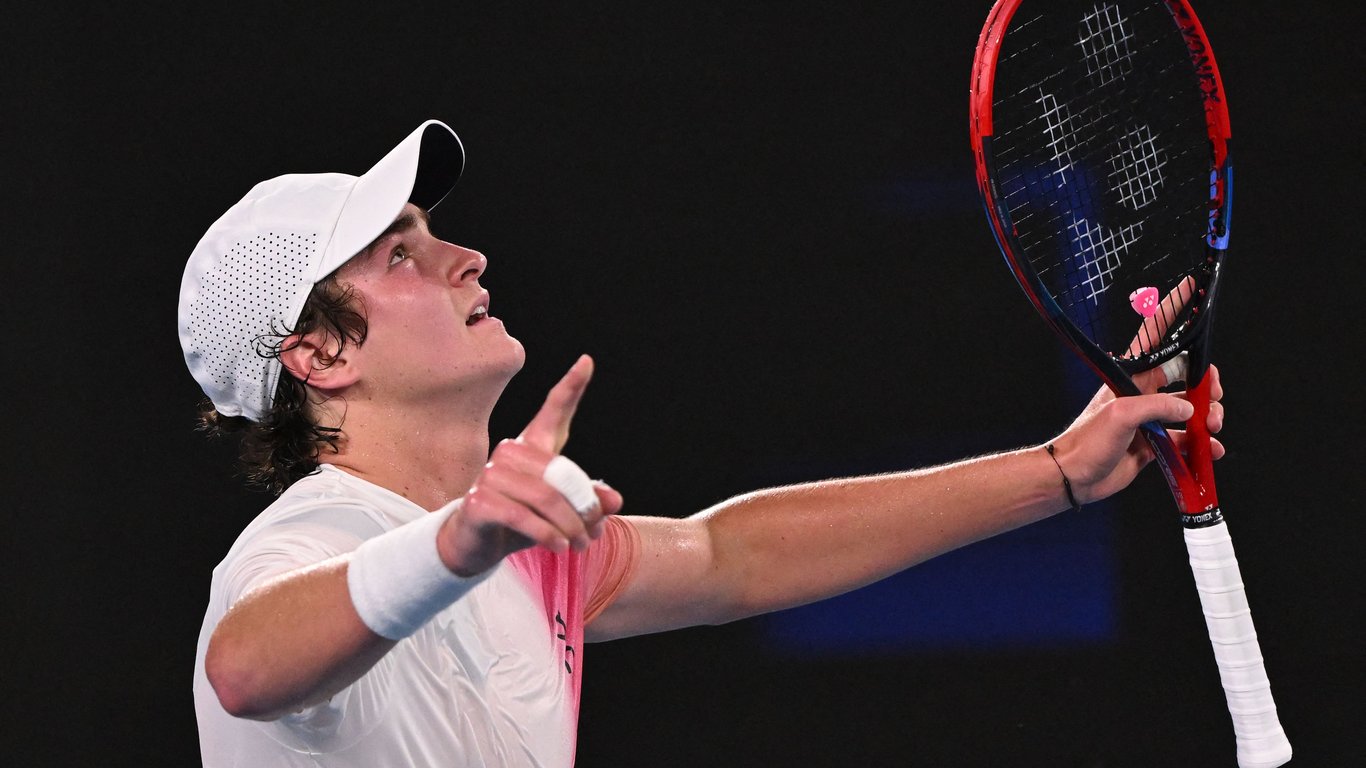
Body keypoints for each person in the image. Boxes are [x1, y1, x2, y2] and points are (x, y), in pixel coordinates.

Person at [182, 119, 1222, 767]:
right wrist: (455, 545)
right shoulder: (316, 539)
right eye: (401, 255)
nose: (467, 255)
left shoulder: (522, 550)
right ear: (318, 354)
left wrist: (1058, 472)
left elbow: (733, 555)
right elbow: (245, 666)